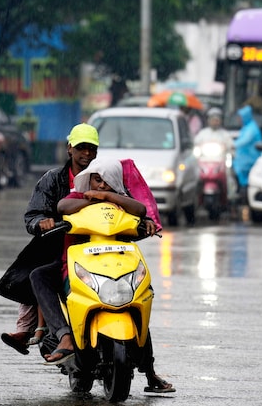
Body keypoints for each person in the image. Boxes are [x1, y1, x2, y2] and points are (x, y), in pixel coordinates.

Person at [31, 157, 175, 393]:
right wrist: (90, 199)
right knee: (39, 276)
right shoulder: (79, 196)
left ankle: (150, 373)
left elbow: (140, 210)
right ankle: (64, 335)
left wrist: (109, 197)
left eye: (107, 181)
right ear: (89, 179)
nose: (101, 185)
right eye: (97, 179)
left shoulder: (123, 202)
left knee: (140, 298)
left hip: (118, 267)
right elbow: (62, 208)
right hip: (78, 266)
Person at [0, 123, 100, 356]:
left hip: (104, 251)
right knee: (36, 274)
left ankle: (150, 370)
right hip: (60, 250)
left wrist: (145, 222)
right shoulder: (53, 180)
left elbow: (131, 204)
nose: (86, 154)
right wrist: (42, 221)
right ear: (69, 149)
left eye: (92, 149)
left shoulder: (105, 177)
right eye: (81, 148)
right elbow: (33, 215)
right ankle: (47, 333)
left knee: (140, 292)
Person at [233, 105, 262, 208]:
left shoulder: (251, 128)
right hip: (243, 161)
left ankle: (245, 203)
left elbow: (244, 141)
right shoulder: (246, 127)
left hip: (249, 161)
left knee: (246, 184)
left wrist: (230, 144)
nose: (238, 120)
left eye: (240, 117)